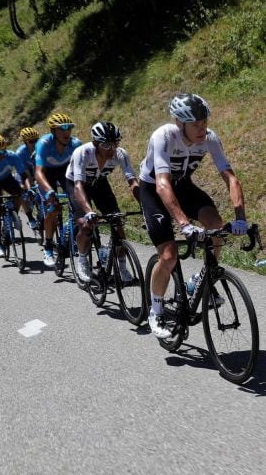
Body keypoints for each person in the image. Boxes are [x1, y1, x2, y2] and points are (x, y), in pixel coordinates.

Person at [139, 93, 248, 339]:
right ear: (180, 123)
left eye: (205, 122)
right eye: (196, 124)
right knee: (168, 256)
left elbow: (230, 178)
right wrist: (184, 224)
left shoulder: (209, 138)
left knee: (216, 224)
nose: (203, 129)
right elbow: (162, 184)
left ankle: (200, 279)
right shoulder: (164, 136)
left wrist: (240, 217)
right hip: (154, 190)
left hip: (183, 185)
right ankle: (155, 310)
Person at [65, 121, 140, 283]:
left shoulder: (120, 154)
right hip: (77, 184)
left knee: (117, 223)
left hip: (99, 183)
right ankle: (83, 261)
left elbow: (133, 182)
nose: (112, 149)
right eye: (107, 145)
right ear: (95, 143)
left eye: (115, 144)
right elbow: (78, 186)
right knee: (85, 224)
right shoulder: (82, 152)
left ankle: (122, 267)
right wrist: (89, 211)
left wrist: (145, 205)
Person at [35, 112, 82, 267]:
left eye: (68, 128)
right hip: (46, 173)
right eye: (61, 128)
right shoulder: (44, 143)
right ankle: (48, 246)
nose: (66, 131)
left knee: (78, 204)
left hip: (65, 172)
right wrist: (49, 191)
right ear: (53, 131)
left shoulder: (76, 144)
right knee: (53, 208)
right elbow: (38, 172)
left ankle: (72, 238)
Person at [15, 127, 41, 230]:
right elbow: (25, 174)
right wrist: (29, 187)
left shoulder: (41, 148)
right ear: (25, 142)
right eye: (31, 141)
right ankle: (30, 218)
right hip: (24, 174)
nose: (34, 143)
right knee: (23, 192)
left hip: (37, 172)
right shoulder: (20, 153)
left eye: (36, 140)